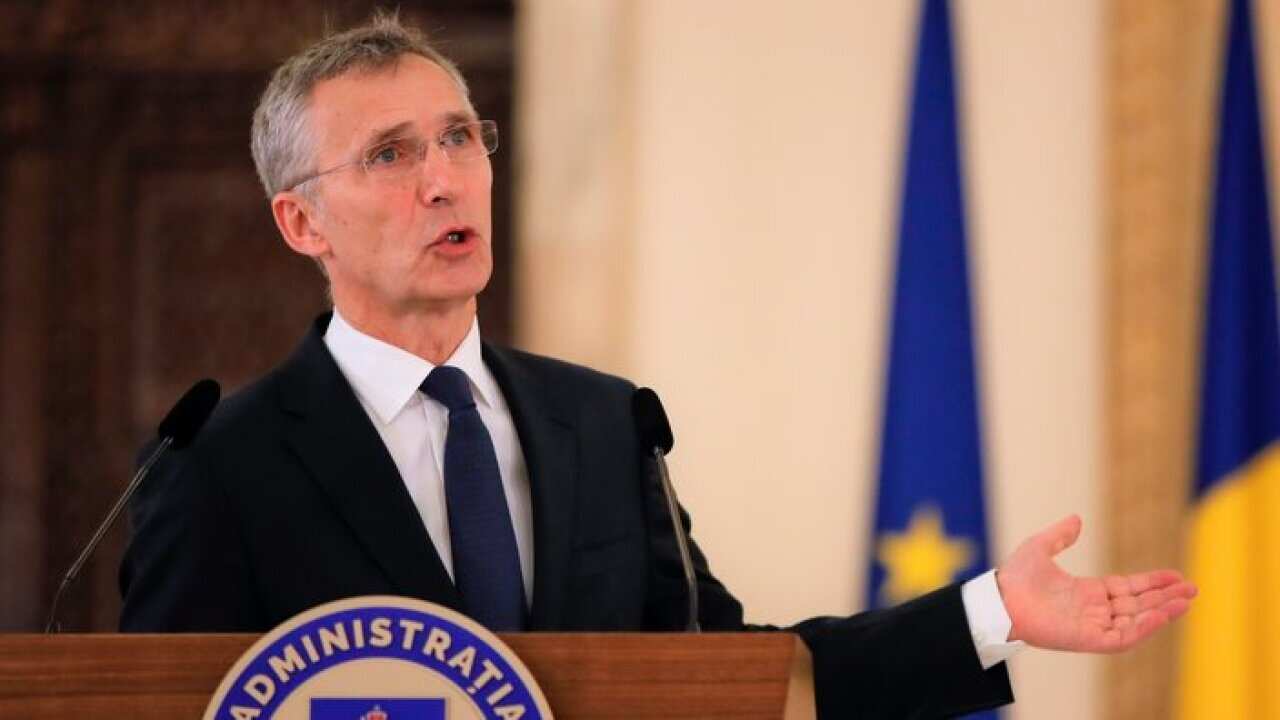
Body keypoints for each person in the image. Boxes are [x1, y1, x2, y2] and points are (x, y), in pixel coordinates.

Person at [118, 14, 1196, 717]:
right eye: (391, 155)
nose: (445, 179)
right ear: (300, 222)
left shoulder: (600, 423)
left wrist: (988, 611)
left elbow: (737, 677)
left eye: (459, 138)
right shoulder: (220, 463)